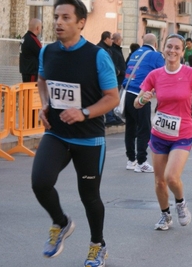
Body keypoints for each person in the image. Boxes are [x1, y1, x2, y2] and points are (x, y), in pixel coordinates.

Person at [31, 0, 119, 266]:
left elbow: (112, 98)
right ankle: (61, 223)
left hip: (89, 138)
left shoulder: (96, 55)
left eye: (66, 17)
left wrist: (84, 112)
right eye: (56, 17)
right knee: (40, 182)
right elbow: (42, 80)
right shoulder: (47, 52)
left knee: (89, 196)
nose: (58, 22)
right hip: (57, 134)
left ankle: (97, 244)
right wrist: (45, 103)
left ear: (81, 22)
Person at [133, 34, 192, 230]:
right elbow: (136, 102)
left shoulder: (190, 73)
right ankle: (165, 215)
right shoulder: (154, 75)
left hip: (182, 133)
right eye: (169, 47)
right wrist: (143, 99)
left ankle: (181, 203)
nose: (172, 51)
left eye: (177, 48)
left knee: (171, 177)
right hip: (159, 133)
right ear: (163, 49)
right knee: (159, 181)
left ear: (183, 52)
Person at [123, 33, 164, 172]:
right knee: (144, 129)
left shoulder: (135, 53)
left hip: (127, 94)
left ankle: (131, 160)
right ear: (156, 44)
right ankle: (142, 162)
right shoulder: (155, 56)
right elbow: (163, 74)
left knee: (130, 128)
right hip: (141, 95)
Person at [97, 31, 124, 127]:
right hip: (108, 78)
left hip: (112, 77)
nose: (112, 41)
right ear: (106, 39)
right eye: (110, 38)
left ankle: (111, 115)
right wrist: (117, 71)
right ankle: (109, 117)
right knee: (108, 96)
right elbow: (110, 63)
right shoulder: (102, 49)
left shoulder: (107, 49)